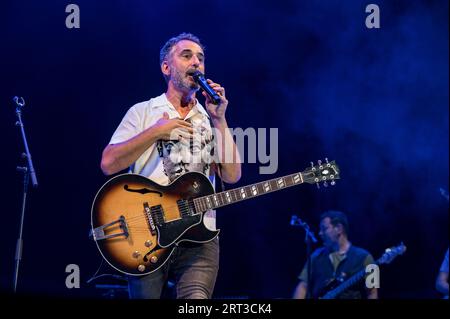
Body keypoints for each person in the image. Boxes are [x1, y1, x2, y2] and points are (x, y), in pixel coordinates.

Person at [100, 32, 241, 299]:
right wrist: (155, 132)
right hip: (147, 234)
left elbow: (232, 175)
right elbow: (108, 163)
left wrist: (220, 121)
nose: (196, 63)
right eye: (187, 56)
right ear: (166, 67)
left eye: (200, 58)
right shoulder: (143, 112)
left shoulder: (209, 120)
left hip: (201, 234)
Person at [292, 210, 378, 299]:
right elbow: (302, 287)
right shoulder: (316, 256)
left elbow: (372, 292)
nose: (320, 233)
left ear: (339, 228)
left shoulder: (365, 257)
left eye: (324, 228)